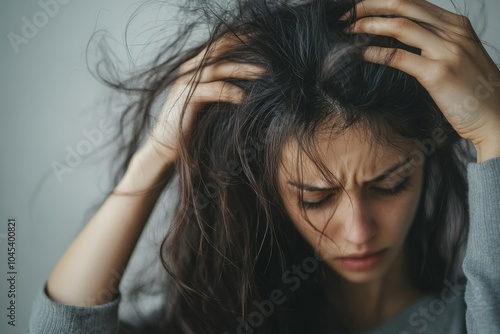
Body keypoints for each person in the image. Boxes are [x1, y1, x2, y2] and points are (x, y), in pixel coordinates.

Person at [29, 0, 500, 333]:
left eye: (391, 184)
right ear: (268, 192)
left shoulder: (468, 319)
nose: (357, 231)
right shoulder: (213, 323)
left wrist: (493, 128)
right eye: (315, 197)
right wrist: (155, 157)